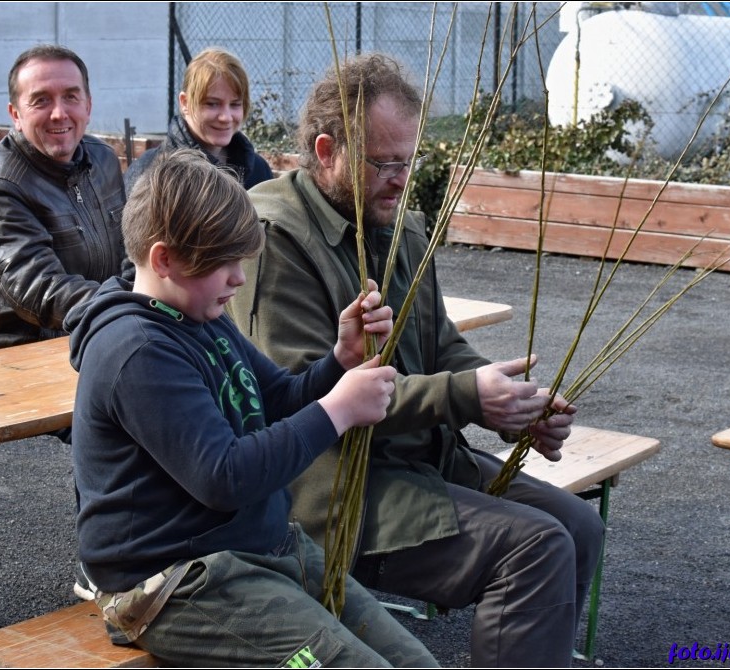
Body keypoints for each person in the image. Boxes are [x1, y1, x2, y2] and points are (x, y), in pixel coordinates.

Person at [229, 53, 605, 668]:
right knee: (534, 548)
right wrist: (464, 397)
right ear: (326, 151)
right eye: (385, 163)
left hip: (422, 459)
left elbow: (439, 342)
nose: (403, 179)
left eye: (411, 160)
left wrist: (511, 403)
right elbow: (303, 401)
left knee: (578, 526)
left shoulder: (397, 224)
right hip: (335, 490)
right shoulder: (275, 237)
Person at [64, 147, 439, 668]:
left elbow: (280, 399)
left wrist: (338, 361)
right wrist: (338, 410)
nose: (239, 278)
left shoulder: (198, 313)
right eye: (225, 262)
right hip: (174, 584)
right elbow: (224, 477)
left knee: (415, 663)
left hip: (258, 550)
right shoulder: (136, 350)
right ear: (164, 258)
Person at [0, 44, 129, 355]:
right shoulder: (1, 186)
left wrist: (148, 296)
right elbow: (37, 289)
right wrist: (129, 306)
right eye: (41, 100)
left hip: (88, 333)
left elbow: (132, 251)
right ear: (15, 114)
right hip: (3, 353)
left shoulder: (104, 161)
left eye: (71, 96)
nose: (59, 113)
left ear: (88, 105)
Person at [123, 47, 272, 195]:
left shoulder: (258, 171)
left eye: (235, 104)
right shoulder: (150, 171)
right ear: (184, 103)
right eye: (212, 104)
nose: (226, 117)